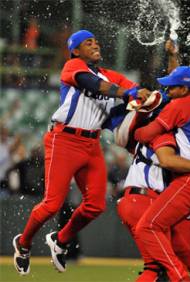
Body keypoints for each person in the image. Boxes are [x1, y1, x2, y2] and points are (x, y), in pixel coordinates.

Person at [12, 29, 149, 275]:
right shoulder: (73, 65)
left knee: (96, 205)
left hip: (91, 143)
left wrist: (146, 98)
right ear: (76, 50)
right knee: (52, 204)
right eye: (88, 42)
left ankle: (61, 240)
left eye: (96, 41)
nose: (95, 45)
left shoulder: (110, 76)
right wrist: (128, 94)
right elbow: (94, 85)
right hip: (63, 139)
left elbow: (130, 93)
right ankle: (23, 244)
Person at [133, 65, 190, 281]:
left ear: (184, 89)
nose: (167, 92)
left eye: (172, 87)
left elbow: (144, 135)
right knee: (170, 230)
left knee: (147, 227)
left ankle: (182, 276)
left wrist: (137, 119)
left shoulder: (182, 104)